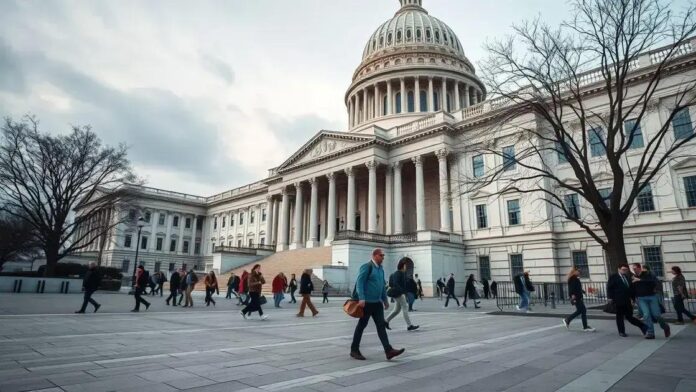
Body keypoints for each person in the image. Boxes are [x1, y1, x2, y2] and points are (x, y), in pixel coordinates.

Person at [350, 248, 405, 361]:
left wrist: (385, 300)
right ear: (374, 255)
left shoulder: (380, 269)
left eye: (383, 255)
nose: (383, 257)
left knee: (381, 326)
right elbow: (360, 283)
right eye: (381, 255)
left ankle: (388, 351)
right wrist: (361, 298)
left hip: (377, 303)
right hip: (367, 303)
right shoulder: (367, 267)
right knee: (361, 326)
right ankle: (354, 350)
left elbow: (382, 285)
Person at [607, 263, 647, 337]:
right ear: (619, 269)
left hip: (627, 300)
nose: (624, 271)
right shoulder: (613, 277)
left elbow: (631, 289)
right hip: (618, 300)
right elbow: (609, 288)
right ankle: (621, 331)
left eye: (626, 270)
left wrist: (633, 299)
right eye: (623, 269)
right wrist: (610, 298)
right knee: (619, 316)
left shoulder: (628, 277)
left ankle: (643, 326)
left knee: (629, 317)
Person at [632, 263, 670, 339]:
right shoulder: (633, 277)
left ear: (639, 268)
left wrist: (640, 280)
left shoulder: (648, 274)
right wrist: (633, 299)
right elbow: (632, 288)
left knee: (656, 315)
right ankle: (651, 333)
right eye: (633, 269)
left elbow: (653, 282)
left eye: (635, 268)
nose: (634, 270)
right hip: (641, 298)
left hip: (652, 297)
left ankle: (665, 326)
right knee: (646, 315)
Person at [385, 257, 419, 332]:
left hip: (399, 293)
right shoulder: (398, 273)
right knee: (405, 307)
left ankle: (386, 321)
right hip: (398, 293)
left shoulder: (402, 273)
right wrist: (402, 291)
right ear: (402, 266)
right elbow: (396, 283)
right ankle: (409, 325)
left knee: (397, 310)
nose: (406, 266)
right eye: (405, 265)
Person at [562, 267, 595, 332]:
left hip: (578, 296)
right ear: (574, 271)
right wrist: (572, 295)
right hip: (576, 297)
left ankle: (585, 326)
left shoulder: (575, 278)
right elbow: (572, 288)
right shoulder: (573, 279)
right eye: (578, 271)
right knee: (581, 310)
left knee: (582, 311)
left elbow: (577, 287)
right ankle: (568, 320)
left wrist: (583, 291)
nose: (580, 273)